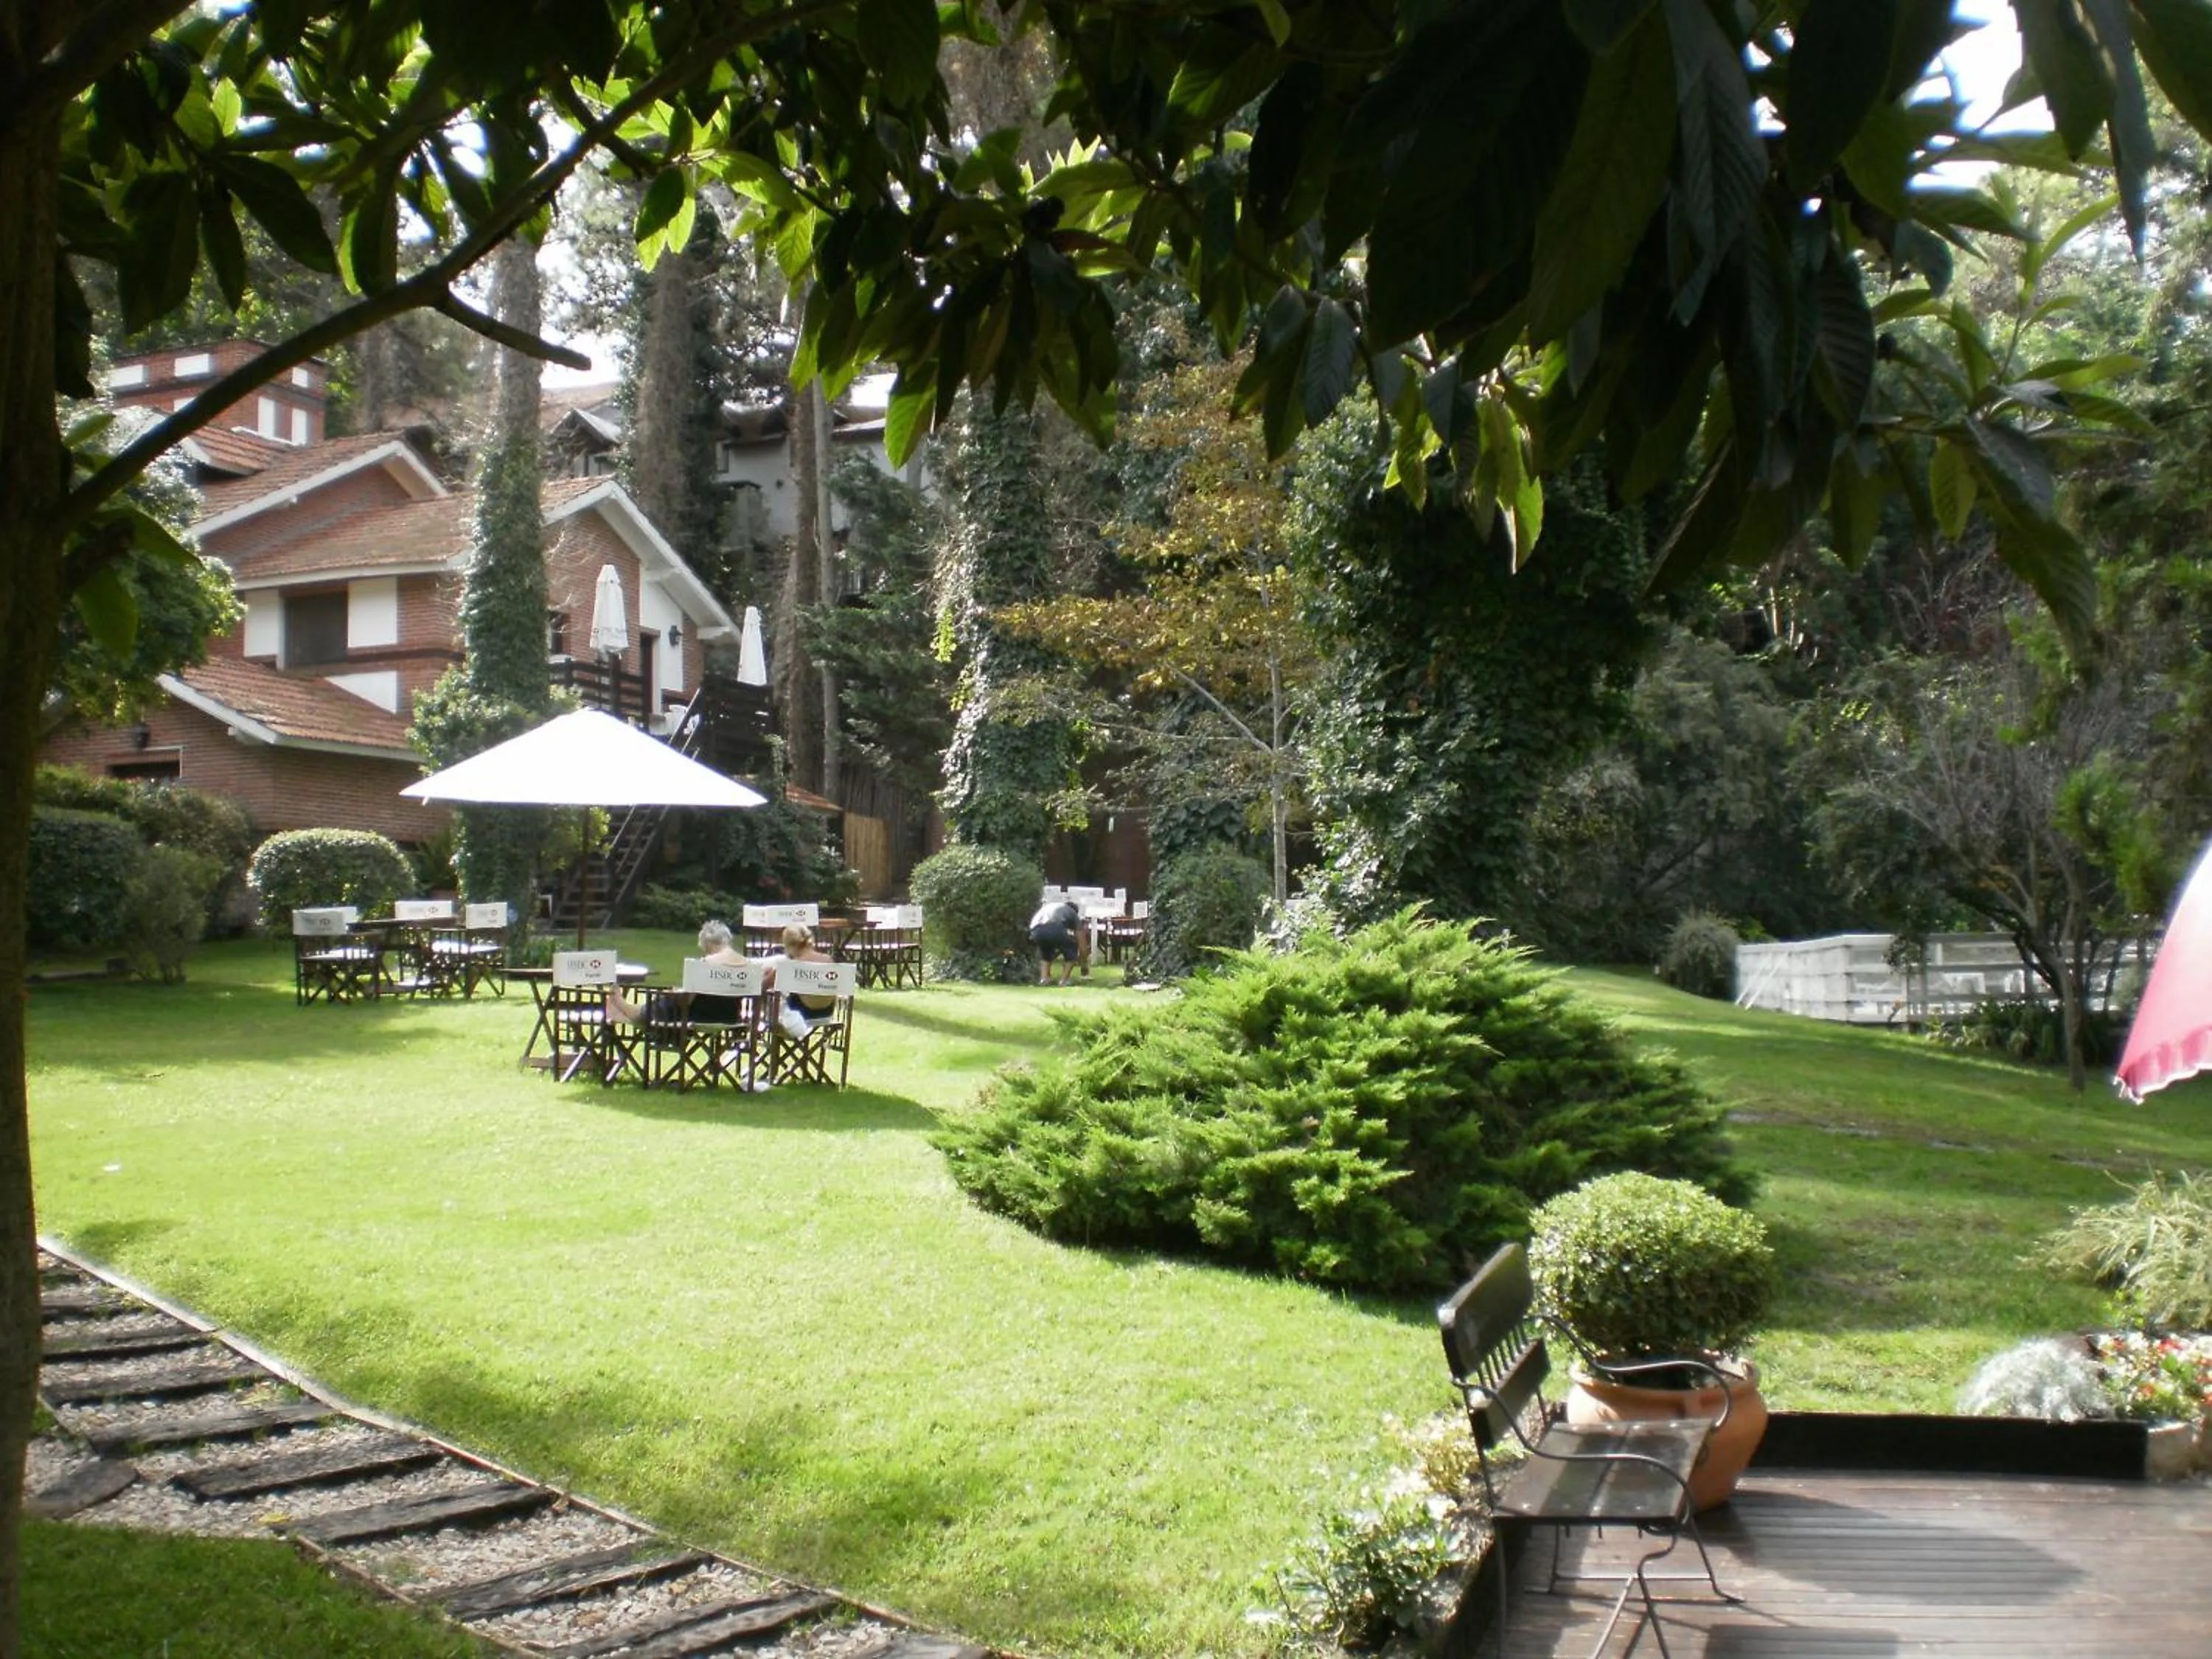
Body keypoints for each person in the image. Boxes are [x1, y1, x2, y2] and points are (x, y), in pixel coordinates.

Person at [605, 919, 747, 1026]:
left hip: (698, 1018)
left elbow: (686, 1001)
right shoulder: (747, 965)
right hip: (731, 1019)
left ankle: (629, 1012)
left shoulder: (705, 964)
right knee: (668, 1000)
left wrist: (677, 994)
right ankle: (629, 1014)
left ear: (708, 944)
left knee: (668, 1001)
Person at [759, 922, 838, 1040]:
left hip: (801, 1017)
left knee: (769, 999)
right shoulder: (829, 960)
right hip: (826, 1015)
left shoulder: (790, 965)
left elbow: (762, 986)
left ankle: (755, 1034)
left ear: (789, 945)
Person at [1029, 897, 1083, 986]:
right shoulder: (1072, 913)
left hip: (1035, 930)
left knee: (1046, 952)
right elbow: (1082, 942)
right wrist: (1084, 965)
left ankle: (1044, 979)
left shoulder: (1052, 906)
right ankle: (1064, 980)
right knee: (1072, 949)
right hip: (1054, 927)